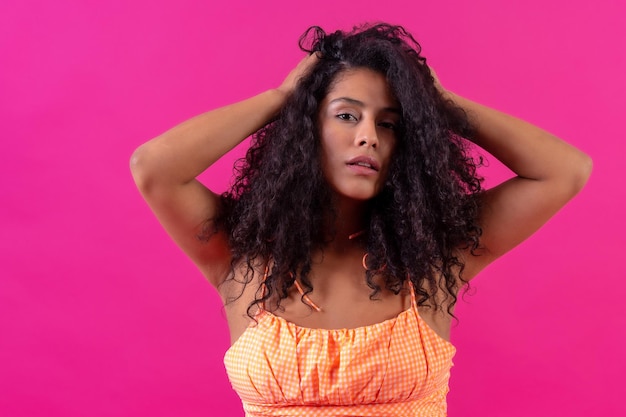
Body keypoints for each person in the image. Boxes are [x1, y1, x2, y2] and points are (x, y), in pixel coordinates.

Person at [130, 23, 591, 417]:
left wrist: (440, 102)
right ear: (308, 128)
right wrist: (284, 96)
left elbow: (564, 171)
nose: (367, 136)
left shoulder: (432, 257)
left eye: (388, 124)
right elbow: (154, 167)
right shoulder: (242, 256)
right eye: (347, 115)